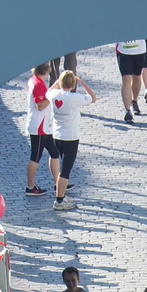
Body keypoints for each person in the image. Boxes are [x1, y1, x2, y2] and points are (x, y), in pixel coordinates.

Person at [46, 69, 97, 210]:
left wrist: (57, 82)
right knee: (65, 170)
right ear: (72, 84)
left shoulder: (54, 95)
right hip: (71, 138)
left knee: (62, 166)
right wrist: (81, 82)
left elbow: (47, 92)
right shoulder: (74, 98)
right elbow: (93, 97)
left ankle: (60, 194)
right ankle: (59, 201)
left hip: (57, 136)